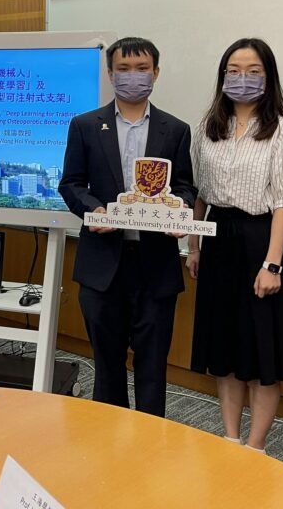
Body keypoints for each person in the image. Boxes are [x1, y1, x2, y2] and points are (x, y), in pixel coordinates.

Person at [59, 37, 196, 416]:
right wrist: (95, 210)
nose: (133, 77)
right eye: (123, 69)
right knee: (107, 365)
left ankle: (149, 445)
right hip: (102, 267)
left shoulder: (176, 129)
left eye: (141, 69)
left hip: (155, 266)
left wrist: (179, 210)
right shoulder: (86, 125)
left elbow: (184, 186)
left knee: (153, 367)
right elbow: (71, 184)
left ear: (156, 72)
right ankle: (109, 443)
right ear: (110, 73)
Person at [185, 38, 283, 453]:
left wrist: (273, 265)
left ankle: (255, 447)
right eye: (234, 70)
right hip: (217, 240)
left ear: (268, 77)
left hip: (262, 242)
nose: (243, 79)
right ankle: (231, 439)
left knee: (261, 356)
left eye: (253, 71)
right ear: (222, 76)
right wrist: (194, 246)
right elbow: (200, 193)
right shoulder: (207, 127)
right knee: (225, 349)